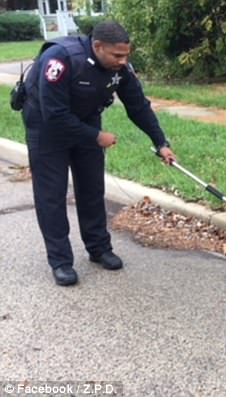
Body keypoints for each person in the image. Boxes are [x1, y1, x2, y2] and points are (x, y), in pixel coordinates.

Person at [21, 21, 176, 286]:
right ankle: (60, 261)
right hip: (47, 127)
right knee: (52, 197)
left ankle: (98, 248)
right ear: (97, 46)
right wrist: (96, 136)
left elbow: (138, 106)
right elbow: (55, 114)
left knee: (92, 189)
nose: (123, 60)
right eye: (117, 55)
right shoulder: (60, 59)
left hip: (85, 122)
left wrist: (160, 141)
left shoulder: (120, 68)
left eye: (126, 55)